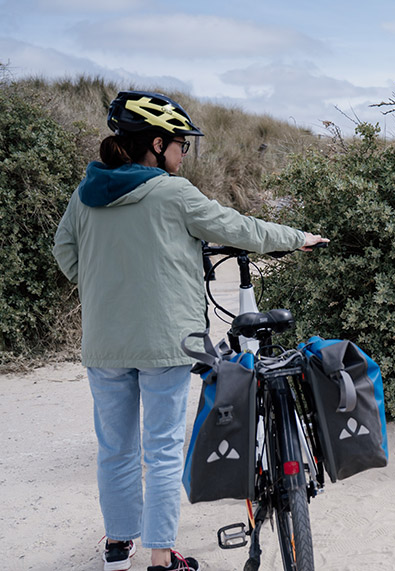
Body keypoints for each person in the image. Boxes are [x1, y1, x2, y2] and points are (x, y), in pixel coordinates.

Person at [52, 90, 328, 571]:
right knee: (161, 451)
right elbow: (239, 228)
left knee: (116, 449)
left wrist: (101, 281)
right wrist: (297, 238)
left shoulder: (85, 194)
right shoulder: (172, 192)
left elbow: (65, 251)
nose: (183, 152)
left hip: (104, 344)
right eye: (181, 143)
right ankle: (161, 557)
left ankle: (118, 550)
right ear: (157, 144)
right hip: (166, 343)